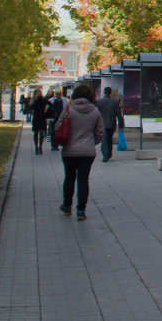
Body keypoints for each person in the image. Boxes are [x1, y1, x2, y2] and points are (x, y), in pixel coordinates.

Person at [53, 83, 103, 220]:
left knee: (69, 178)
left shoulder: (68, 109)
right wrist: (93, 142)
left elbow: (58, 126)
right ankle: (81, 210)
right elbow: (100, 131)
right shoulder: (94, 111)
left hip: (69, 150)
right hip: (87, 151)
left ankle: (67, 206)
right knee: (83, 179)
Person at [95, 86, 123, 161]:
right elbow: (119, 114)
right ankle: (108, 153)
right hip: (112, 124)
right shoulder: (114, 102)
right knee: (109, 139)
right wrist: (121, 125)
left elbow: (96, 114)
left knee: (104, 139)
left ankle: (105, 154)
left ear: (104, 92)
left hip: (103, 124)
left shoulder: (99, 102)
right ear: (110, 93)